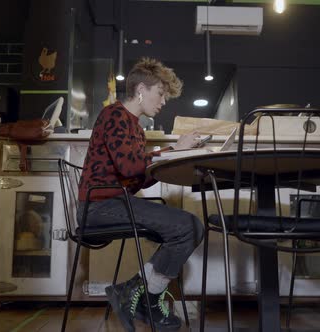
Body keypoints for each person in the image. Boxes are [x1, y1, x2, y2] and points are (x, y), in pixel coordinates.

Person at [77, 58, 205, 331]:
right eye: (160, 93)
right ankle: (140, 296)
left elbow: (136, 179)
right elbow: (130, 165)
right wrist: (174, 151)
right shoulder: (114, 115)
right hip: (97, 209)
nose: (163, 101)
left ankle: (141, 296)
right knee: (186, 226)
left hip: (114, 203)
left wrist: (164, 161)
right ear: (141, 90)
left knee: (190, 226)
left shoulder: (134, 125)